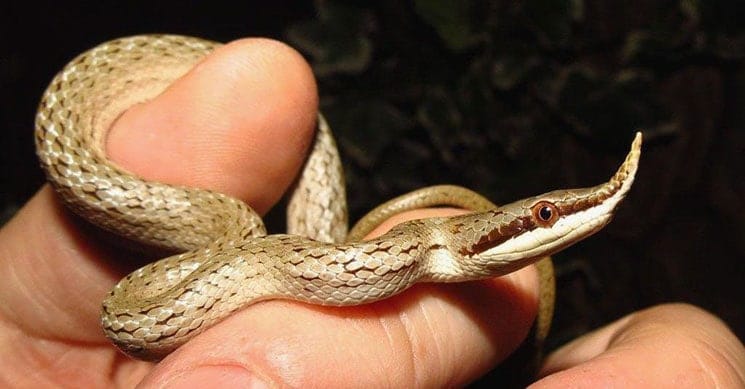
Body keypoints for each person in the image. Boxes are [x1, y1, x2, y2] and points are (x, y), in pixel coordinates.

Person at [1, 38, 743, 388]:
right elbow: (131, 315)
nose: (557, 221)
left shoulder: (425, 251)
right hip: (233, 255)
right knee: (245, 220)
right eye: (545, 213)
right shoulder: (238, 239)